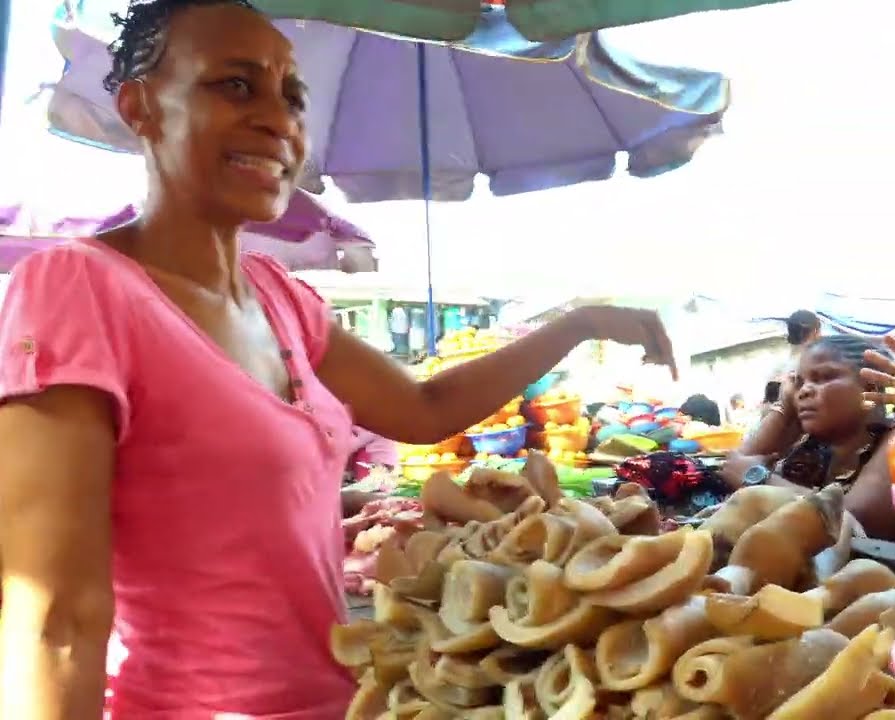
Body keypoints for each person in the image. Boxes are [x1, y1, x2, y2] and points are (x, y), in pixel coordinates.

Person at [0, 2, 677, 717]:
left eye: (292, 96)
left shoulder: (282, 300)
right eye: (235, 85)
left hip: (346, 700)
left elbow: (424, 410)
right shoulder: (79, 288)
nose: (278, 120)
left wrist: (577, 325)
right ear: (139, 106)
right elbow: (53, 619)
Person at [720, 334, 895, 541]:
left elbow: (852, 522)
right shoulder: (812, 446)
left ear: (870, 386)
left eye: (823, 377)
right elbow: (732, 470)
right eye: (800, 382)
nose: (804, 390)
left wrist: (759, 479)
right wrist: (785, 407)